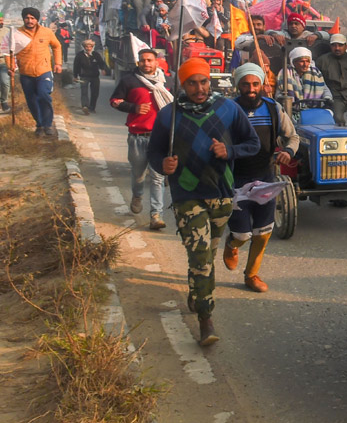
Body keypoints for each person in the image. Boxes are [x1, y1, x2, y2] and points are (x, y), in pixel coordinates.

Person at [148, 58, 260, 345]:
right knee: (200, 256)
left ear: (210, 82)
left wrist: (229, 150)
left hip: (222, 195)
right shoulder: (168, 116)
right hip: (187, 196)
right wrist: (164, 165)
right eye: (192, 83)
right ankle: (205, 319)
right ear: (182, 85)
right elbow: (154, 153)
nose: (199, 88)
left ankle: (197, 291)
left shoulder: (228, 108)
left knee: (207, 257)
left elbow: (253, 144)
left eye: (203, 82)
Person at [222, 63, 299, 293]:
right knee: (242, 233)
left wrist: (288, 151)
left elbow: (292, 136)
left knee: (264, 232)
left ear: (262, 84)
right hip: (236, 181)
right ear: (238, 85)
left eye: (255, 84)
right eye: (245, 84)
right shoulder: (228, 110)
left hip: (266, 177)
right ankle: (232, 244)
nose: (251, 89)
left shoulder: (273, 108)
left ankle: (252, 275)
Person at [110, 47, 172, 229]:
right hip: (138, 137)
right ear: (138, 62)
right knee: (138, 175)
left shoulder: (165, 81)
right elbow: (114, 101)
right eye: (143, 60)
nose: (146, 63)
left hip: (159, 138)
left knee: (157, 178)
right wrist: (133, 108)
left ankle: (156, 215)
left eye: (149, 60)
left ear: (156, 62)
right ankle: (137, 195)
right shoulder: (129, 80)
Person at [13, 7, 63, 136]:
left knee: (43, 95)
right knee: (32, 100)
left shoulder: (46, 32)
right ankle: (39, 125)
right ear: (23, 18)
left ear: (37, 19)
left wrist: (58, 63)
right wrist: (10, 67)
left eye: (32, 18)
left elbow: (57, 46)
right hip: (25, 73)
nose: (29, 21)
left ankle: (47, 125)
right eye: (27, 18)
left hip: (44, 71)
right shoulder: (16, 34)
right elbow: (8, 51)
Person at [73, 38, 108, 113]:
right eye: (86, 47)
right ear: (84, 47)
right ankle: (85, 106)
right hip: (84, 76)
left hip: (94, 76)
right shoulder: (80, 55)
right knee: (84, 91)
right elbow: (76, 66)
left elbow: (101, 63)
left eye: (90, 47)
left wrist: (103, 69)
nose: (88, 48)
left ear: (92, 47)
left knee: (95, 92)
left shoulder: (96, 55)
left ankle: (92, 107)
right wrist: (75, 76)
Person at [0, 12, 13, 113]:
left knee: (5, 82)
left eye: (1, 20)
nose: (1, 22)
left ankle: (4, 102)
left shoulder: (8, 32)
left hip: (4, 61)